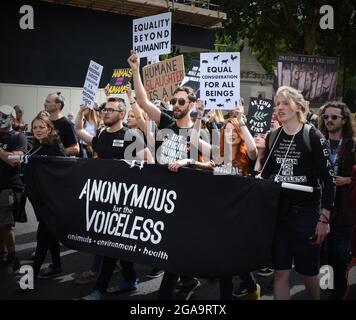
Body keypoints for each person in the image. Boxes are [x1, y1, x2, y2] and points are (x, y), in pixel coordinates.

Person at [128, 49, 210, 300]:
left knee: (173, 250)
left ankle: (169, 292)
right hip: (163, 196)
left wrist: (189, 161)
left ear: (192, 105)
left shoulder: (201, 133)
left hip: (188, 201)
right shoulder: (165, 123)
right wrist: (135, 70)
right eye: (173, 101)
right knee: (169, 248)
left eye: (181, 102)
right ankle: (189, 281)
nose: (175, 105)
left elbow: (216, 164)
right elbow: (143, 102)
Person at [261, 86, 335, 300]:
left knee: (308, 273)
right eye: (277, 104)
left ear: (298, 107)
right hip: (280, 217)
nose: (280, 108)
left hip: (307, 216)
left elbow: (329, 182)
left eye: (285, 103)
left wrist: (324, 218)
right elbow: (265, 175)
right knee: (281, 271)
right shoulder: (273, 136)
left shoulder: (313, 135)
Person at [75, 97, 150, 300]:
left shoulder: (130, 135)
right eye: (104, 109)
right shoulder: (101, 134)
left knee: (111, 244)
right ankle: (130, 280)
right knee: (118, 245)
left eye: (111, 110)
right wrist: (81, 114)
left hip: (125, 201)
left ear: (122, 114)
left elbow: (149, 162)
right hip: (105, 199)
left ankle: (99, 289)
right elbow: (80, 132)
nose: (105, 112)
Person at [318, 101, 356, 299]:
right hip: (319, 208)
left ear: (344, 119)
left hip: (344, 211)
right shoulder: (317, 141)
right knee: (323, 255)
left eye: (334, 117)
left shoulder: (352, 145)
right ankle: (326, 290)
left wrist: (349, 180)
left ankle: (337, 293)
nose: (329, 121)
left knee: (340, 256)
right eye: (326, 117)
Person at [27, 114, 66, 278]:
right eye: (35, 127)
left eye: (41, 127)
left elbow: (63, 171)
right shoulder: (35, 146)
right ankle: (57, 266)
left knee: (42, 235)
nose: (38, 130)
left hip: (49, 200)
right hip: (36, 198)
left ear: (49, 129)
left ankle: (31, 274)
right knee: (49, 234)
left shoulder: (55, 146)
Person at [0, 105, 27, 272]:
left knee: (5, 224)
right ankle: (2, 252)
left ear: (12, 118)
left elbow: (15, 160)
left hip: (9, 186)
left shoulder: (18, 137)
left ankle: (11, 254)